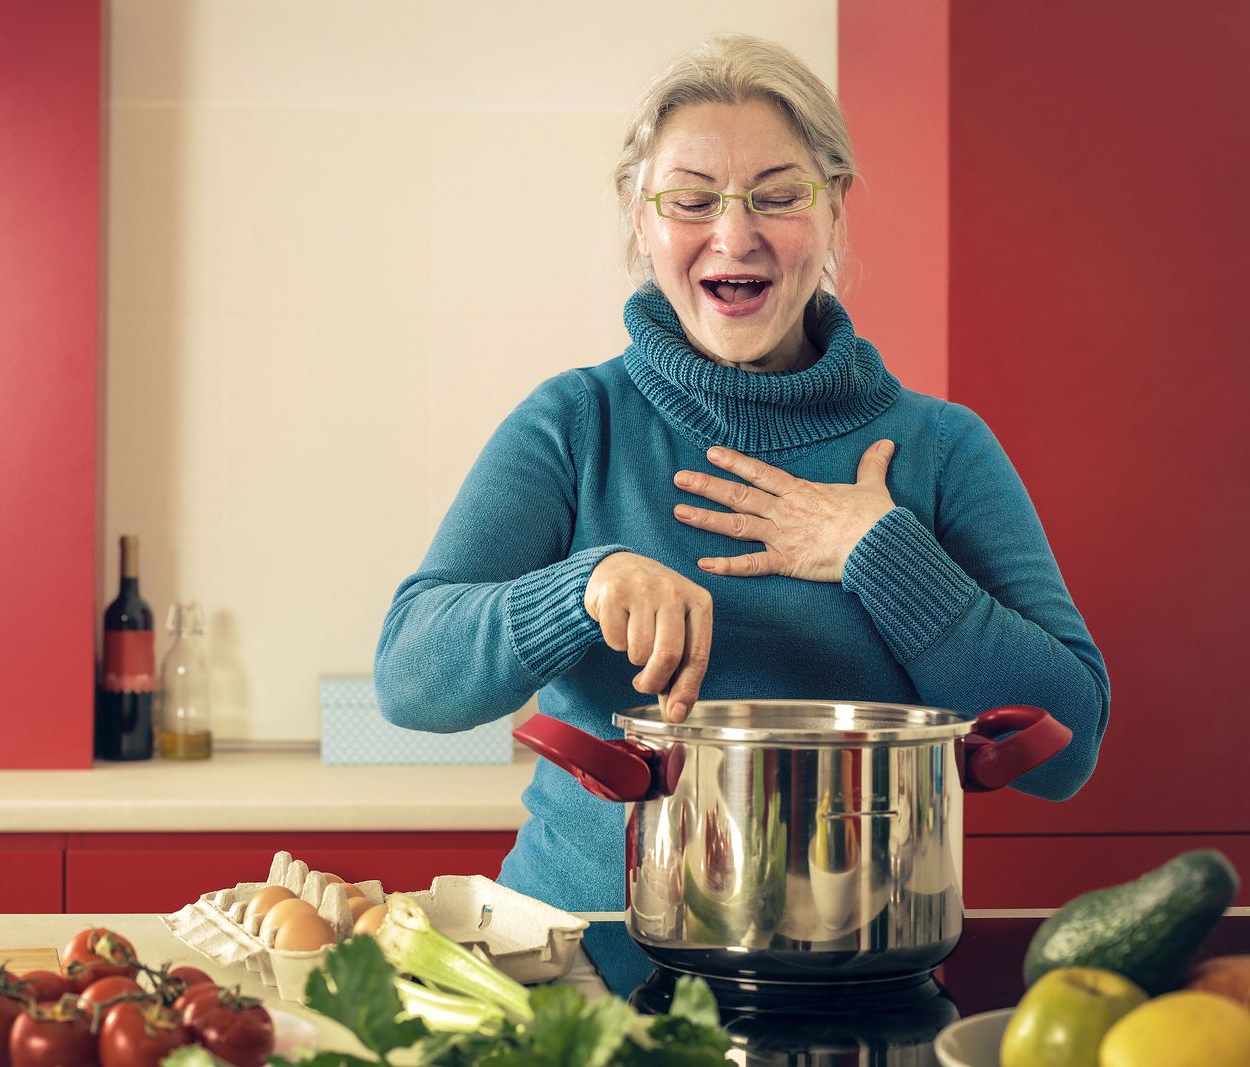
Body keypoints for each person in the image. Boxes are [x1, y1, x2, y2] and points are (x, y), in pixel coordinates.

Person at [372, 33, 1109, 989]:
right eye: (691, 200)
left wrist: (880, 552)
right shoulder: (574, 423)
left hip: (860, 972)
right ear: (641, 222)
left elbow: (1069, 743)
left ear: (835, 208)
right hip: (580, 972)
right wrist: (581, 587)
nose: (734, 234)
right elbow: (408, 679)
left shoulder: (943, 447)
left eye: (778, 193)